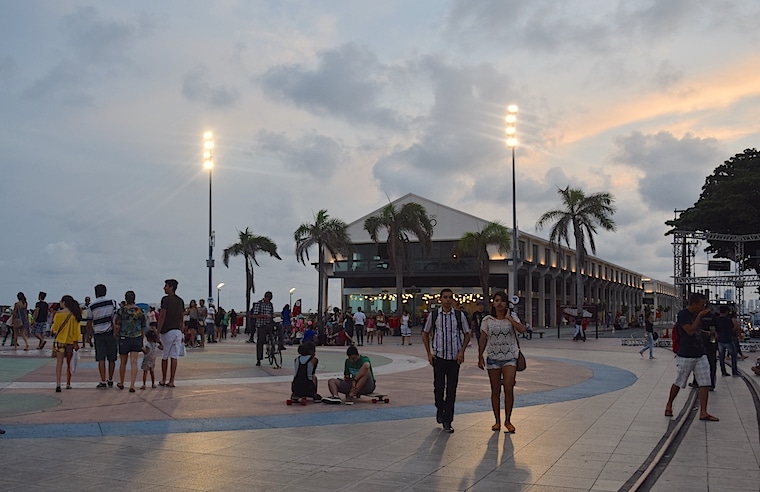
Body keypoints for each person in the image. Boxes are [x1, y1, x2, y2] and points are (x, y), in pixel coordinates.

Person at [422, 288, 471, 433]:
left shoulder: (458, 315)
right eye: (445, 297)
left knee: (451, 390)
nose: (448, 299)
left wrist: (462, 351)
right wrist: (429, 353)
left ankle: (448, 420)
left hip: (454, 358)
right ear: (441, 299)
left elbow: (467, 334)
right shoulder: (435, 315)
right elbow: (425, 333)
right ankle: (440, 408)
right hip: (439, 357)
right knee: (438, 388)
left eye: (450, 297)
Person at [477, 291, 527, 433]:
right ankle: (497, 421)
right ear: (493, 303)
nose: (499, 303)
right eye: (496, 300)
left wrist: (509, 318)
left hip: (510, 356)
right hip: (493, 357)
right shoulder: (487, 320)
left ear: (506, 303)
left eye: (502, 301)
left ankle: (508, 420)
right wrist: (480, 356)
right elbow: (483, 338)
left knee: (509, 387)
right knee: (495, 390)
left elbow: (522, 330)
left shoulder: (512, 317)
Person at [664, 293, 718, 421]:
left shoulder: (696, 315)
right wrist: (699, 317)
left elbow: (697, 331)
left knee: (705, 382)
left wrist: (708, 333)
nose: (703, 307)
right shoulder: (683, 315)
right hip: (686, 354)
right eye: (701, 304)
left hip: (700, 353)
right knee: (679, 381)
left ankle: (703, 411)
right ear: (694, 303)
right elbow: (690, 331)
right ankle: (669, 404)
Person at [114, 291, 146, 392]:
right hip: (136, 337)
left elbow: (117, 324)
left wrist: (116, 334)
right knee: (134, 362)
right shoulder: (139, 310)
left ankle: (122, 382)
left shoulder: (121, 311)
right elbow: (143, 326)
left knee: (123, 362)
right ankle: (132, 385)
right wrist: (142, 339)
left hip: (124, 337)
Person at [51, 295, 82, 392]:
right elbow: (76, 331)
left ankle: (58, 384)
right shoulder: (74, 315)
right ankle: (68, 383)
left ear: (64, 302)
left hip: (60, 341)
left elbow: (54, 329)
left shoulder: (58, 314)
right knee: (69, 363)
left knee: (59, 363)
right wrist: (76, 342)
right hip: (70, 342)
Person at [158, 279, 185, 387]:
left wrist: (158, 331)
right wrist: (181, 331)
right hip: (177, 331)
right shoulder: (180, 301)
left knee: (165, 356)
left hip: (167, 331)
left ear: (171, 287)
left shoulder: (165, 300)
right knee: (174, 356)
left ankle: (164, 379)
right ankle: (172, 380)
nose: (164, 288)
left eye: (166, 286)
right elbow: (181, 318)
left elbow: (162, 316)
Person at [91, 284, 118, 388]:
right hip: (111, 333)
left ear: (96, 293)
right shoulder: (113, 302)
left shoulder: (92, 306)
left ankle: (102, 380)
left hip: (98, 334)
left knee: (101, 358)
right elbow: (116, 317)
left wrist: (89, 336)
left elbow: (90, 322)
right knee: (112, 358)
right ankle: (110, 379)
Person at [716, 306, 739, 377]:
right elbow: (733, 328)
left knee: (721, 356)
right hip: (728, 339)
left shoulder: (717, 320)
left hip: (720, 340)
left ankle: (723, 372)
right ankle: (734, 372)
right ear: (726, 311)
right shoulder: (728, 320)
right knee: (734, 355)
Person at [252, 292, 274, 366]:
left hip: (269, 324)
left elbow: (272, 313)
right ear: (265, 297)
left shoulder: (270, 305)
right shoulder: (259, 304)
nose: (268, 301)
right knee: (260, 341)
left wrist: (271, 317)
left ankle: (276, 346)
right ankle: (259, 358)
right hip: (261, 325)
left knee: (277, 330)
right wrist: (264, 316)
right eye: (268, 299)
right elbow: (255, 315)